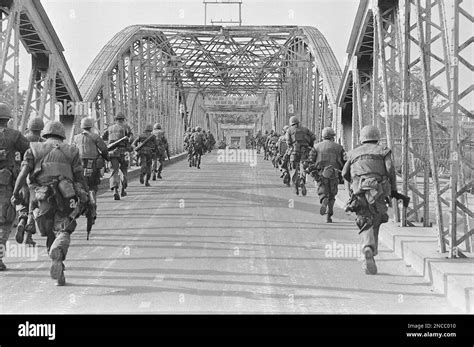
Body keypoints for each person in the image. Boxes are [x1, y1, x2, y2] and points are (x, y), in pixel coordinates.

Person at [12, 120, 89, 285]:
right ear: (62, 135)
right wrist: (86, 196)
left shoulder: (33, 148)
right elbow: (80, 177)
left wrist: (16, 192)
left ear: (45, 134)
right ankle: (59, 252)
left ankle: (59, 272)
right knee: (64, 229)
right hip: (66, 196)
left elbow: (23, 172)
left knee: (49, 234)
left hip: (42, 198)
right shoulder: (72, 150)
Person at [342, 125, 397, 275]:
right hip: (377, 192)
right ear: (377, 137)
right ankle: (371, 251)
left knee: (364, 220)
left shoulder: (353, 153)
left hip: (359, 191)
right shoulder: (383, 151)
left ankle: (367, 247)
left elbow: (344, 173)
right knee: (377, 219)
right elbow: (390, 169)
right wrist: (392, 190)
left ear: (362, 137)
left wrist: (354, 183)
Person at [0, 103, 30, 271]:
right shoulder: (14, 135)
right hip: (5, 183)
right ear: (7, 119)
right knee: (4, 221)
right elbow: (30, 151)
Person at [73, 117, 109, 232]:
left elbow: (71, 151)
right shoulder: (95, 137)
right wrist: (107, 158)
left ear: (82, 126)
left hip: (79, 167)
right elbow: (104, 149)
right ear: (91, 126)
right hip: (92, 166)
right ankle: (93, 206)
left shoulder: (76, 138)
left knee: (79, 187)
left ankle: (79, 207)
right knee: (92, 187)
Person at [15, 116, 45, 247]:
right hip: (36, 179)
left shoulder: (22, 140)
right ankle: (28, 236)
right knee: (33, 206)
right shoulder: (43, 142)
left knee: (22, 203)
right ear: (41, 128)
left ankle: (21, 221)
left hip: (22, 177)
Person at [308, 127, 345, 223]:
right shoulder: (339, 147)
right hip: (334, 173)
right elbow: (343, 162)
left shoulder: (316, 147)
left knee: (323, 191)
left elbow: (311, 161)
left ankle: (324, 201)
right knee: (332, 195)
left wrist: (312, 171)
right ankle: (329, 214)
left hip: (321, 174)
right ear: (332, 136)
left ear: (323, 136)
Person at [102, 112, 132, 200]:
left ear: (116, 119)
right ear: (123, 119)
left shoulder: (110, 128)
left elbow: (103, 138)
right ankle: (123, 187)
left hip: (112, 153)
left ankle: (115, 190)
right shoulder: (126, 127)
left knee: (114, 171)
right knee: (124, 170)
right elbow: (131, 138)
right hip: (123, 152)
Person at [285, 116, 316, 196]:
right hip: (304, 151)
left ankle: (295, 186)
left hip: (294, 152)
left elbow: (288, 142)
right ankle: (302, 179)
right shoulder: (305, 129)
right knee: (303, 166)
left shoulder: (289, 130)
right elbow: (313, 137)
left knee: (293, 169)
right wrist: (309, 144)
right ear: (298, 122)